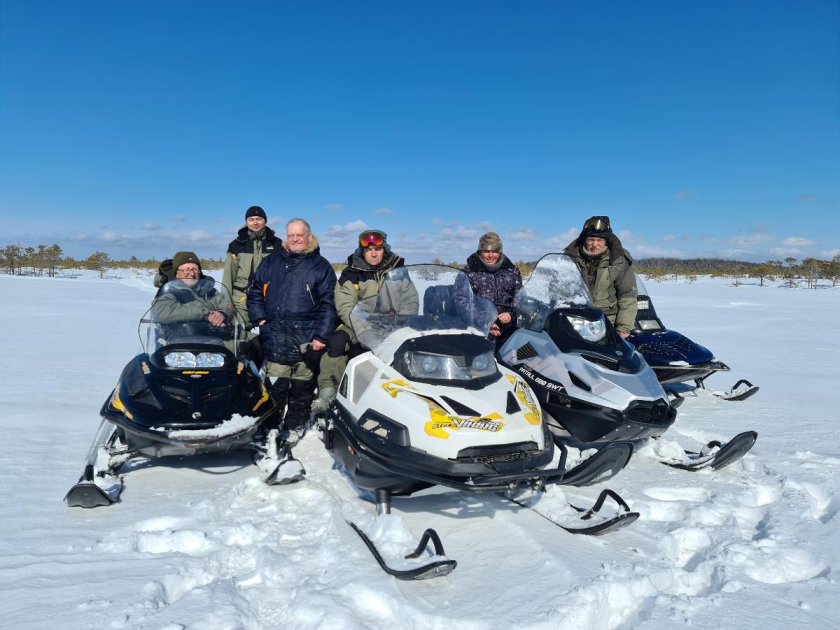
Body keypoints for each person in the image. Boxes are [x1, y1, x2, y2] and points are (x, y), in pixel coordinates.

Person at [247, 218, 337, 441]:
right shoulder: (271, 262)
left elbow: (329, 304)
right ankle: (271, 427)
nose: (295, 239)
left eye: (300, 235)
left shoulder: (321, 266)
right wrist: (259, 318)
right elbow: (255, 292)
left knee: (302, 388)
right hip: (275, 335)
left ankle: (295, 426)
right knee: (275, 386)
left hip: (307, 340)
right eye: (291, 235)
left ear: (309, 236)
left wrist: (321, 336)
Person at [311, 229, 417, 413]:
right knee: (336, 343)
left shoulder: (398, 271)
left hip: (393, 324)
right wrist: (364, 329)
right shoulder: (351, 273)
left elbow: (411, 300)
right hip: (358, 323)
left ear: (384, 249)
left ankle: (411, 393)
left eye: (378, 249)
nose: (374, 253)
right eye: (369, 250)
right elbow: (345, 306)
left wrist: (402, 321)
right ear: (362, 251)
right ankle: (328, 390)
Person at [563, 216, 638, 338]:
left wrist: (623, 327)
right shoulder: (569, 258)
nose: (595, 244)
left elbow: (627, 296)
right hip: (575, 319)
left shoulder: (618, 260)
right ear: (584, 240)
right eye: (591, 239)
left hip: (606, 320)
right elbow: (558, 289)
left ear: (606, 241)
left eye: (599, 240)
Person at [150, 251, 233, 345]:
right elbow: (161, 311)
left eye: (195, 269)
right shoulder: (169, 291)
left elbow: (225, 302)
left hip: (211, 344)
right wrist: (205, 313)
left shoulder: (208, 290)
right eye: (186, 270)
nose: (192, 273)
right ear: (177, 273)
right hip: (174, 346)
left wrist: (222, 313)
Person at [222, 205, 282, 330]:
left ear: (265, 221)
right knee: (239, 335)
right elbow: (228, 276)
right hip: (241, 299)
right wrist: (226, 304)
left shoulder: (277, 244)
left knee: (271, 335)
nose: (255, 222)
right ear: (246, 221)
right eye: (251, 219)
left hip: (269, 299)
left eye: (259, 219)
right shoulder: (236, 245)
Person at [462, 231, 522, 348]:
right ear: (480, 252)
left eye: (494, 251)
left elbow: (520, 298)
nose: (490, 255)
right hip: (478, 329)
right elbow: (462, 302)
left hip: (509, 328)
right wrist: (486, 322)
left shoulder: (512, 271)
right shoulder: (469, 272)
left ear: (500, 252)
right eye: (486, 251)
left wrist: (511, 314)